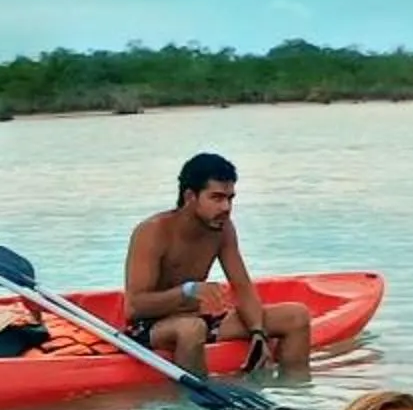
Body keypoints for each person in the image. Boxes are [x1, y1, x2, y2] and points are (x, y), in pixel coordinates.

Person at [123, 153, 314, 376]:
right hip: (150, 327)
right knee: (192, 329)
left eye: (230, 198)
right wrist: (188, 291)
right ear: (190, 196)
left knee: (296, 316)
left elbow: (242, 287)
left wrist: (258, 332)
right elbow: (135, 306)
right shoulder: (153, 231)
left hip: (197, 320)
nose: (226, 207)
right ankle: (195, 408)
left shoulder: (222, 229)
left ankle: (292, 394)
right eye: (216, 198)